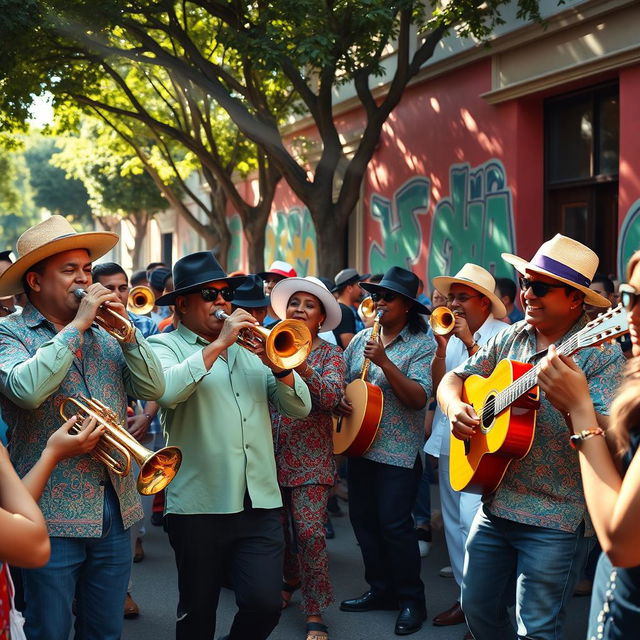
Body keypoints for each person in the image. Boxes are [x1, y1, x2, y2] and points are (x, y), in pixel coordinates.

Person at [437, 234, 625, 640]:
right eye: (524, 283)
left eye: (539, 287)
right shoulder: (512, 336)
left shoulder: (600, 351)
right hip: (497, 500)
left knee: (537, 629)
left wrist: (575, 405)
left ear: (575, 299)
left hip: (557, 514)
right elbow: (456, 378)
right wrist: (456, 408)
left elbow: (616, 433)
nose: (527, 293)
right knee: (477, 608)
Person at [0, 215, 165, 640]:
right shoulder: (8, 333)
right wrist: (77, 327)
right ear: (35, 281)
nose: (84, 281)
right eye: (69, 271)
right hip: (48, 513)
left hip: (117, 506)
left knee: (105, 631)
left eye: (88, 269)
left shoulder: (110, 333)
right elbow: (26, 390)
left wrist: (129, 336)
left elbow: (155, 387)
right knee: (49, 631)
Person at [147, 251, 311, 640]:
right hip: (199, 504)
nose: (222, 302)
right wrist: (220, 344)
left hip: (260, 501)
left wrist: (279, 368)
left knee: (265, 603)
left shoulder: (254, 349)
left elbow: (300, 407)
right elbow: (166, 393)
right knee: (197, 612)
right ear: (182, 305)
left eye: (226, 294)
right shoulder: (162, 346)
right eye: (209, 294)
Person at [337, 266, 435, 636]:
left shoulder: (422, 344)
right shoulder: (361, 337)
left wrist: (385, 362)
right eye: (376, 296)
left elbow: (417, 399)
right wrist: (338, 402)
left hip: (397, 453)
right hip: (359, 447)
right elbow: (344, 385)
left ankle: (412, 600)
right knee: (363, 524)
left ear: (408, 305)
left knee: (396, 528)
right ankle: (380, 590)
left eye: (388, 297)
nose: (379, 302)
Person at [425, 264, 508, 639]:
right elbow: (437, 384)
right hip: (450, 439)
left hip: (487, 445)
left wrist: (472, 342)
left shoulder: (504, 335)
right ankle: (465, 598)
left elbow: (495, 389)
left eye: (462, 298)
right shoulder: (448, 331)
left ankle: (482, 608)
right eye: (451, 297)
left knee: (476, 525)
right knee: (456, 525)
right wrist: (443, 347)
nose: (453, 304)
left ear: (484, 302)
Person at [269, 276, 345, 640]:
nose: (299, 309)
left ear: (319, 319)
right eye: (294, 302)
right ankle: (289, 578)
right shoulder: (266, 344)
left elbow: (331, 398)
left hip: (312, 460)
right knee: (278, 533)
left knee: (311, 534)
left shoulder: (331, 355)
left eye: (309, 305)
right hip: (267, 457)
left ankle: (315, 609)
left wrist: (297, 360)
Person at [92, 261, 161, 618]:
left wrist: (146, 415)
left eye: (123, 287)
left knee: (126, 514)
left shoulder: (137, 326)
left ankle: (124, 592)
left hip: (123, 433)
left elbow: (153, 384)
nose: (119, 295)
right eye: (110, 288)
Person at [332, 268, 370, 348]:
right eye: (359, 286)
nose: (361, 291)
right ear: (349, 288)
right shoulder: (344, 311)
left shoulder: (346, 309)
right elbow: (350, 346)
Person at [258, 260, 297, 326]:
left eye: (276, 281)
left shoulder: (298, 314)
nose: (269, 286)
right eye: (267, 281)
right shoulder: (257, 311)